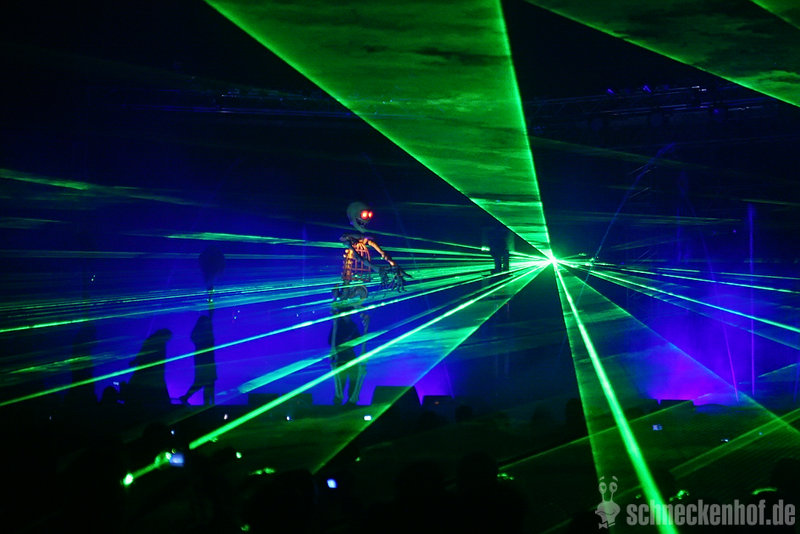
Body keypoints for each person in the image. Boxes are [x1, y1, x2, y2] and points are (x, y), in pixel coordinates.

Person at [329, 307, 369, 406]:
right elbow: (331, 341)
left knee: (353, 380)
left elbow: (358, 340)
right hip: (341, 355)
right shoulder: (339, 325)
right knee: (341, 381)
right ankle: (338, 404)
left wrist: (365, 329)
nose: (348, 315)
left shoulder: (352, 325)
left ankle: (350, 403)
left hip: (349, 354)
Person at [179, 315, 217, 405]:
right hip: (204, 359)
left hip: (206, 358)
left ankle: (208, 403)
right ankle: (207, 403)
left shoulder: (202, 333)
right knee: (204, 380)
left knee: (207, 381)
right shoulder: (203, 334)